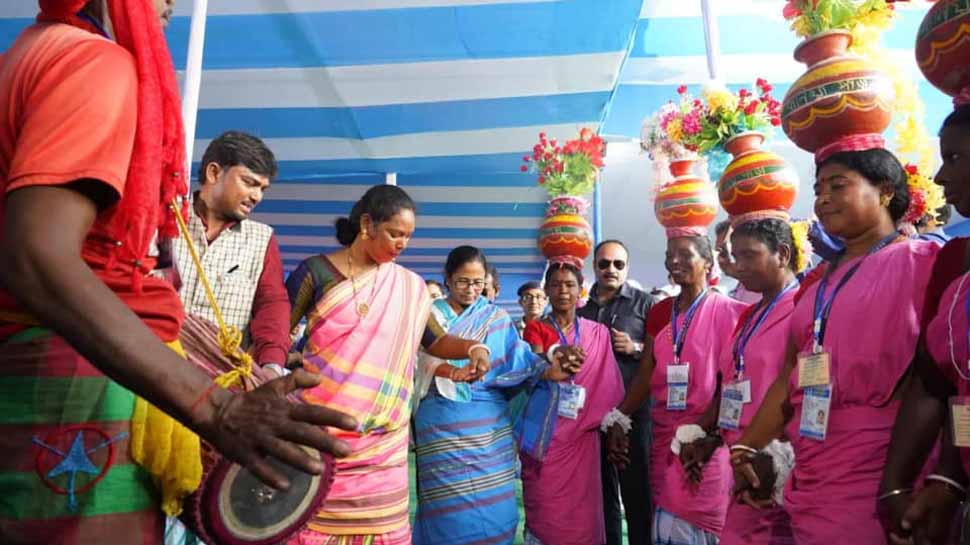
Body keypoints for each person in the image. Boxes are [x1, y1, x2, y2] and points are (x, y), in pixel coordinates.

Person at [0, 2, 356, 544]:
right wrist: (215, 406)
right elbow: (36, 256)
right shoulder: (95, 64)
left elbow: (271, 309)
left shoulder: (29, 51)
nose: (172, 3)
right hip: (76, 379)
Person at [285, 185, 574, 545]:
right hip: (324, 424)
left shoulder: (408, 286)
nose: (402, 244)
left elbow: (435, 341)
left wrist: (474, 348)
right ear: (366, 224)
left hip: (383, 438)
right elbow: (276, 336)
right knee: (313, 523)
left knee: (380, 527)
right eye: (395, 233)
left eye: (408, 236)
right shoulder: (316, 272)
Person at [729, 145, 939, 545]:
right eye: (818, 188)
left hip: (884, 466)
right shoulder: (816, 283)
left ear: (884, 191)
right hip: (813, 462)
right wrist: (745, 451)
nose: (823, 198)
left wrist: (908, 482)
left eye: (838, 185)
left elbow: (938, 378)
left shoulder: (921, 261)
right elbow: (789, 377)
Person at [412, 246, 576, 545]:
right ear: (447, 278)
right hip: (440, 423)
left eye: (478, 282)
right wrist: (448, 371)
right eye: (463, 281)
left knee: (495, 511)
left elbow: (522, 360)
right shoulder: (429, 316)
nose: (471, 290)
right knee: (446, 511)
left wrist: (547, 369)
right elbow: (416, 362)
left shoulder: (496, 318)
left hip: (490, 428)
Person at [607, 234, 746, 544]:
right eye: (669, 255)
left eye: (685, 255)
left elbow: (732, 384)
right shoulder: (660, 311)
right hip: (664, 435)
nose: (674, 261)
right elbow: (647, 373)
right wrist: (619, 417)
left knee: (700, 522)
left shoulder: (731, 312)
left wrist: (703, 430)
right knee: (665, 521)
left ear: (708, 263)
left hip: (707, 439)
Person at [880, 106, 970, 545]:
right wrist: (947, 480)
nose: (939, 178)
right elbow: (950, 387)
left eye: (953, 159)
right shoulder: (959, 276)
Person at [709, 218, 804, 545]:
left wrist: (775, 454)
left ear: (782, 253)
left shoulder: (802, 307)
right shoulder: (749, 314)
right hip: (741, 453)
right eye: (736, 256)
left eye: (749, 255)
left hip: (776, 457)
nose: (740, 266)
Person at [521, 261, 625, 545]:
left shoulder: (598, 333)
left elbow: (609, 387)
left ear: (581, 290)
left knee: (582, 520)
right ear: (546, 290)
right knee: (544, 512)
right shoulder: (537, 329)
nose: (563, 291)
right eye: (555, 285)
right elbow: (532, 361)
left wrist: (615, 426)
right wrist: (555, 353)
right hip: (544, 438)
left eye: (569, 285)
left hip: (582, 440)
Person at [173, 131, 293, 378]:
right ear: (213, 173)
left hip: (216, 385)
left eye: (262, 189)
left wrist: (271, 366)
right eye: (249, 183)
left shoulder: (262, 240)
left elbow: (272, 305)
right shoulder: (165, 218)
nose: (257, 196)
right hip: (144, 367)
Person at [577, 239, 655, 545]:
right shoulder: (582, 310)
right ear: (594, 266)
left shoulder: (645, 304)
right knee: (602, 493)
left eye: (618, 264)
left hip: (634, 412)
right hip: (594, 415)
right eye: (604, 263)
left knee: (637, 492)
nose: (611, 269)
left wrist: (635, 348)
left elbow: (662, 351)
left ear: (627, 267)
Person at [716, 220, 763, 305]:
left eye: (724, 252)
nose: (720, 259)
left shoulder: (761, 289)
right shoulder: (739, 284)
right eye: (718, 251)